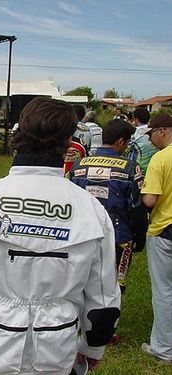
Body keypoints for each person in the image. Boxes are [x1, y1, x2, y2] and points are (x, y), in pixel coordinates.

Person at [0, 97, 121, 374]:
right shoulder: (92, 210)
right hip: (57, 356)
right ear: (68, 141)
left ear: (19, 133)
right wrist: (92, 349)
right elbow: (103, 298)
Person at [69, 119, 148, 294]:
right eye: (127, 142)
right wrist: (140, 235)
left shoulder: (79, 164)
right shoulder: (130, 168)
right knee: (115, 286)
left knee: (83, 281)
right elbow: (136, 207)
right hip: (120, 237)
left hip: (83, 235)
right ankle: (111, 319)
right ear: (121, 141)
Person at [140, 113, 172, 364]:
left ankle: (164, 348)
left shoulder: (160, 159)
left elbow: (150, 199)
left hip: (165, 230)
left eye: (151, 134)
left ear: (162, 130)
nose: (151, 140)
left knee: (163, 292)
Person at [124, 107, 158, 175]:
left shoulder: (134, 133)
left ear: (136, 119)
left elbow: (126, 150)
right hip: (153, 168)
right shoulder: (155, 131)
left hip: (138, 170)